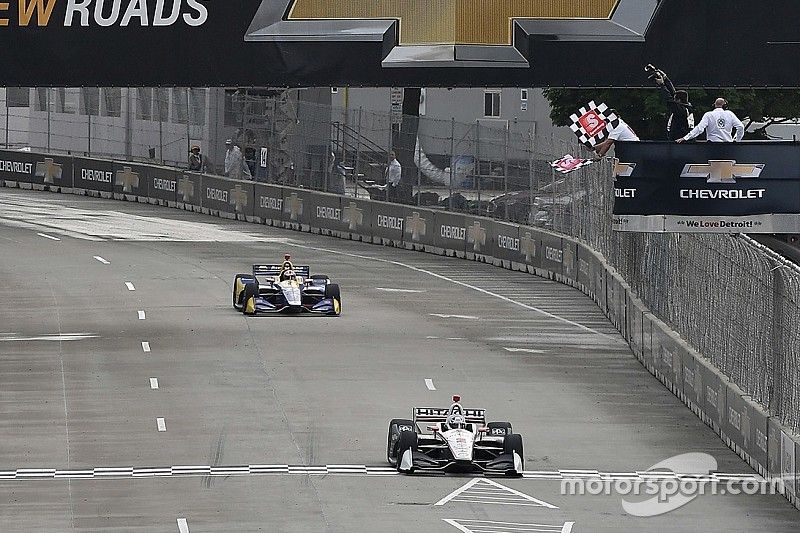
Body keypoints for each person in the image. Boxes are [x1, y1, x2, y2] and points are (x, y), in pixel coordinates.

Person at [677, 98, 744, 143]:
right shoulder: (730, 114)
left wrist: (685, 138)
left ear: (714, 105)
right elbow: (741, 127)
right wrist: (737, 140)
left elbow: (699, 128)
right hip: (727, 146)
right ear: (725, 106)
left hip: (712, 146)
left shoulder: (708, 115)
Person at [652, 70, 694, 140]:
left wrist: (662, 85)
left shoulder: (681, 110)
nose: (674, 100)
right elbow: (673, 92)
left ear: (679, 100)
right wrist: (666, 79)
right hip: (681, 138)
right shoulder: (685, 107)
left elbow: (669, 99)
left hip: (679, 140)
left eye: (675, 99)